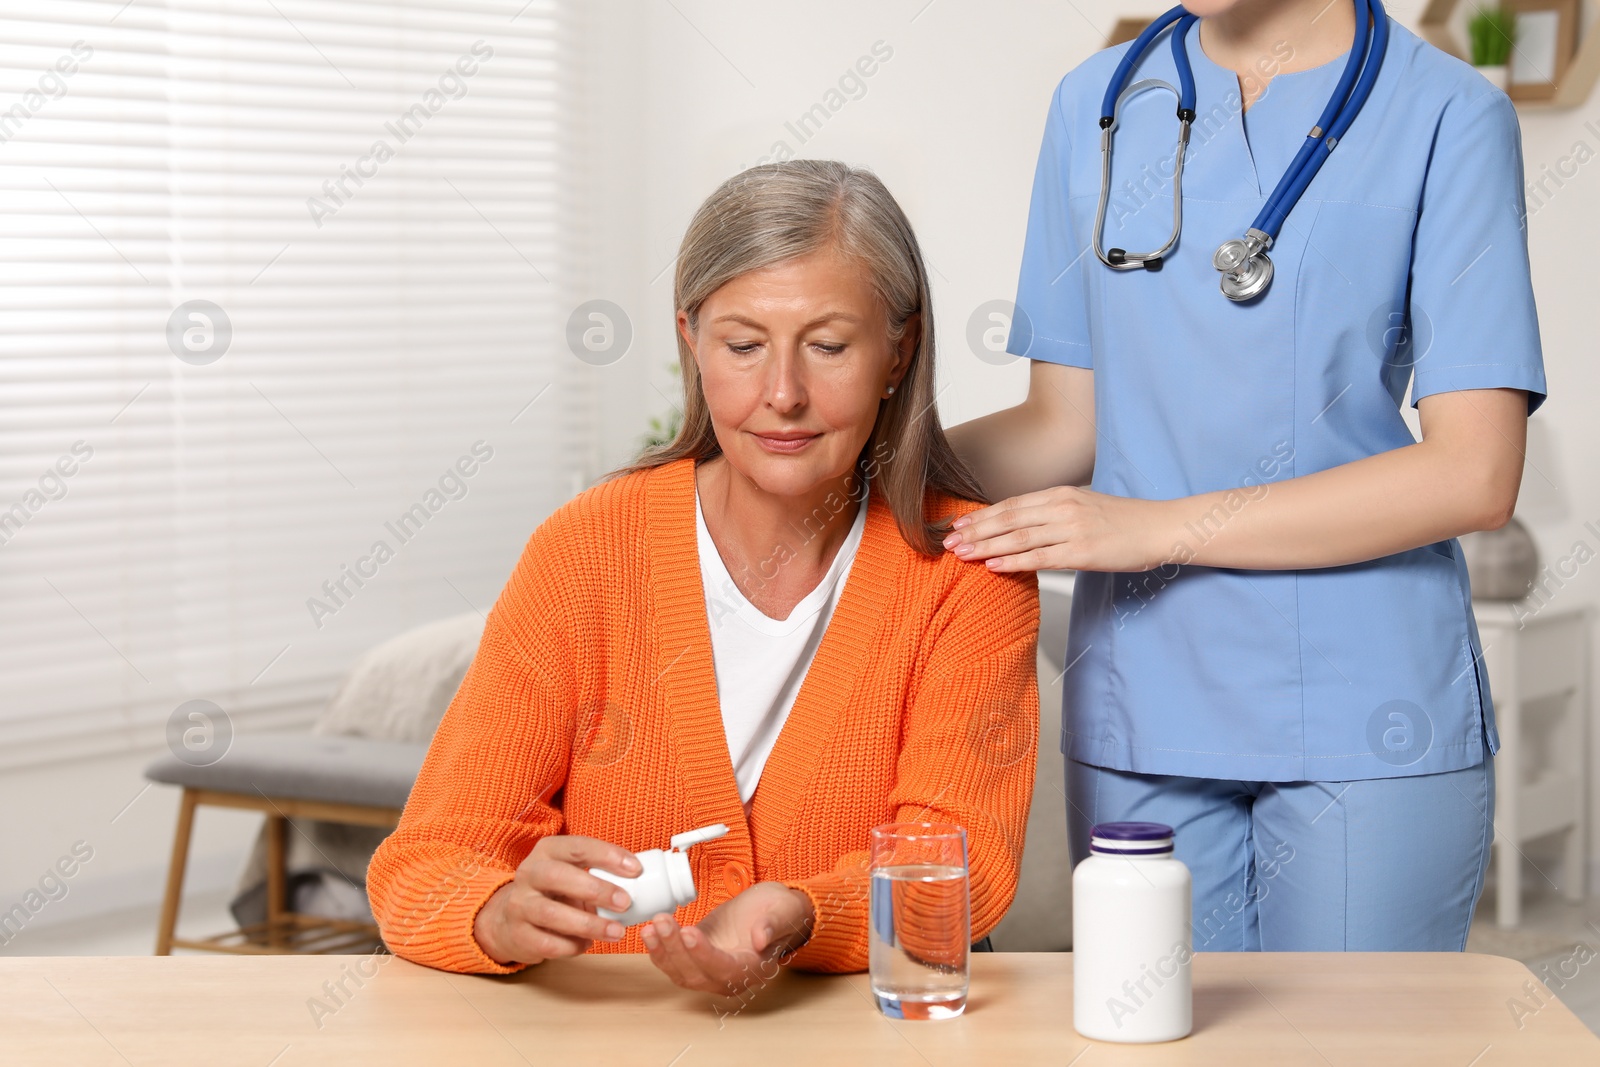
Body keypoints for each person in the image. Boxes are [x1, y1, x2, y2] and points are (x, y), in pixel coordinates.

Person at [946, 0, 1545, 951]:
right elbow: (1064, 426)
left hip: (1364, 700)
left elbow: (1473, 473)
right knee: (1153, 1040)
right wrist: (860, 461)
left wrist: (1154, 528)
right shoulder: (1095, 104)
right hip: (1143, 693)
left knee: (1346, 1050)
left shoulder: (1446, 113)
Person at [367, 160, 1040, 991]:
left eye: (828, 346)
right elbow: (426, 859)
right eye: (744, 345)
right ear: (691, 341)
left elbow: (957, 873)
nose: (783, 393)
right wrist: (495, 911)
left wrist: (801, 914)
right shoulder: (586, 550)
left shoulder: (968, 570)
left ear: (897, 352)